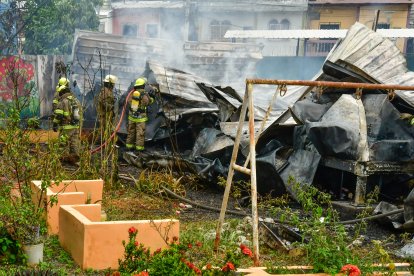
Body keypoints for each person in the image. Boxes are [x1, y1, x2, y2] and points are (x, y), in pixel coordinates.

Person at [53, 84, 82, 164]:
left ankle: (62, 159)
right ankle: (75, 160)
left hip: (66, 127)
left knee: (62, 143)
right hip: (76, 126)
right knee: (74, 143)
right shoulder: (76, 100)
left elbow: (59, 115)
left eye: (60, 93)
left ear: (62, 92)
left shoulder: (63, 101)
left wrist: (55, 124)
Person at [126, 77, 154, 153]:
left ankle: (129, 146)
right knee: (140, 133)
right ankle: (139, 149)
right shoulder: (144, 94)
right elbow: (147, 102)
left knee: (131, 132)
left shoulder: (132, 93)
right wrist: (152, 97)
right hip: (140, 118)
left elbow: (128, 102)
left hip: (132, 116)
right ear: (143, 85)